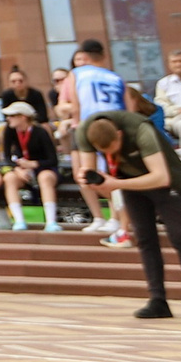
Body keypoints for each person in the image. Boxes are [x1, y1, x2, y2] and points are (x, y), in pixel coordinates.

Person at [84, 109, 181, 322]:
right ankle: (158, 300)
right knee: (145, 239)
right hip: (130, 184)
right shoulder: (86, 131)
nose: (110, 155)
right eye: (104, 152)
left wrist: (116, 183)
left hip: (165, 183)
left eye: (112, 149)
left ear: (119, 135)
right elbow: (88, 172)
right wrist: (93, 182)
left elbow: (161, 177)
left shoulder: (140, 130)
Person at [66, 40, 127, 235]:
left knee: (90, 174)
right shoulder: (116, 77)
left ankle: (117, 217)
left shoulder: (76, 74)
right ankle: (115, 218)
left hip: (89, 126)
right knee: (112, 174)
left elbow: (75, 106)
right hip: (115, 125)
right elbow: (128, 107)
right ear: (104, 55)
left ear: (85, 55)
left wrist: (77, 124)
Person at [0, 100, 61, 230]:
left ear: (23, 117)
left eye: (12, 116)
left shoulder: (40, 132)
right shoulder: (9, 131)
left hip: (44, 168)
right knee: (9, 178)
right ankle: (19, 220)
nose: (8, 119)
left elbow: (53, 159)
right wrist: (17, 169)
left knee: (45, 178)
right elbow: (7, 156)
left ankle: (51, 221)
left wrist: (34, 164)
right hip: (23, 170)